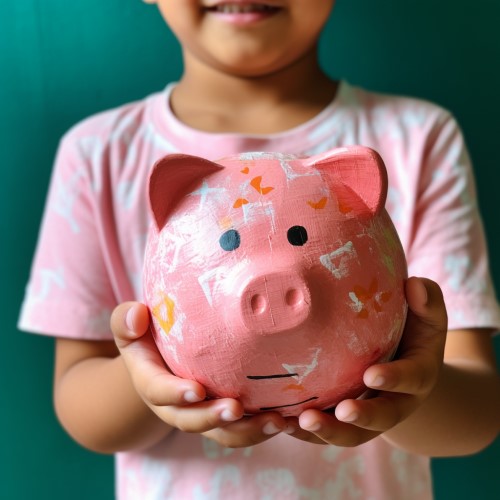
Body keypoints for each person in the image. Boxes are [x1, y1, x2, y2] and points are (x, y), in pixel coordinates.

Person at [19, 1, 500, 498]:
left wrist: (411, 392)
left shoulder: (419, 139)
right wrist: (152, 377)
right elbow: (82, 409)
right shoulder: (97, 155)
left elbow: (476, 415)